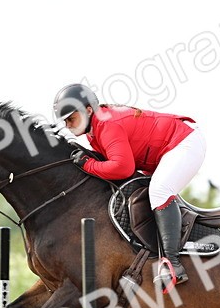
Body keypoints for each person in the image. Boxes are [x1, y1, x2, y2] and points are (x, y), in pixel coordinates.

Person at [52, 83, 206, 293]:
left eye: (71, 118)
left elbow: (123, 168)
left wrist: (88, 165)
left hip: (185, 142)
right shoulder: (94, 131)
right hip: (168, 150)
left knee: (159, 191)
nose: (68, 125)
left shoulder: (107, 124)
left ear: (88, 110)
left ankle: (172, 264)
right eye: (65, 121)